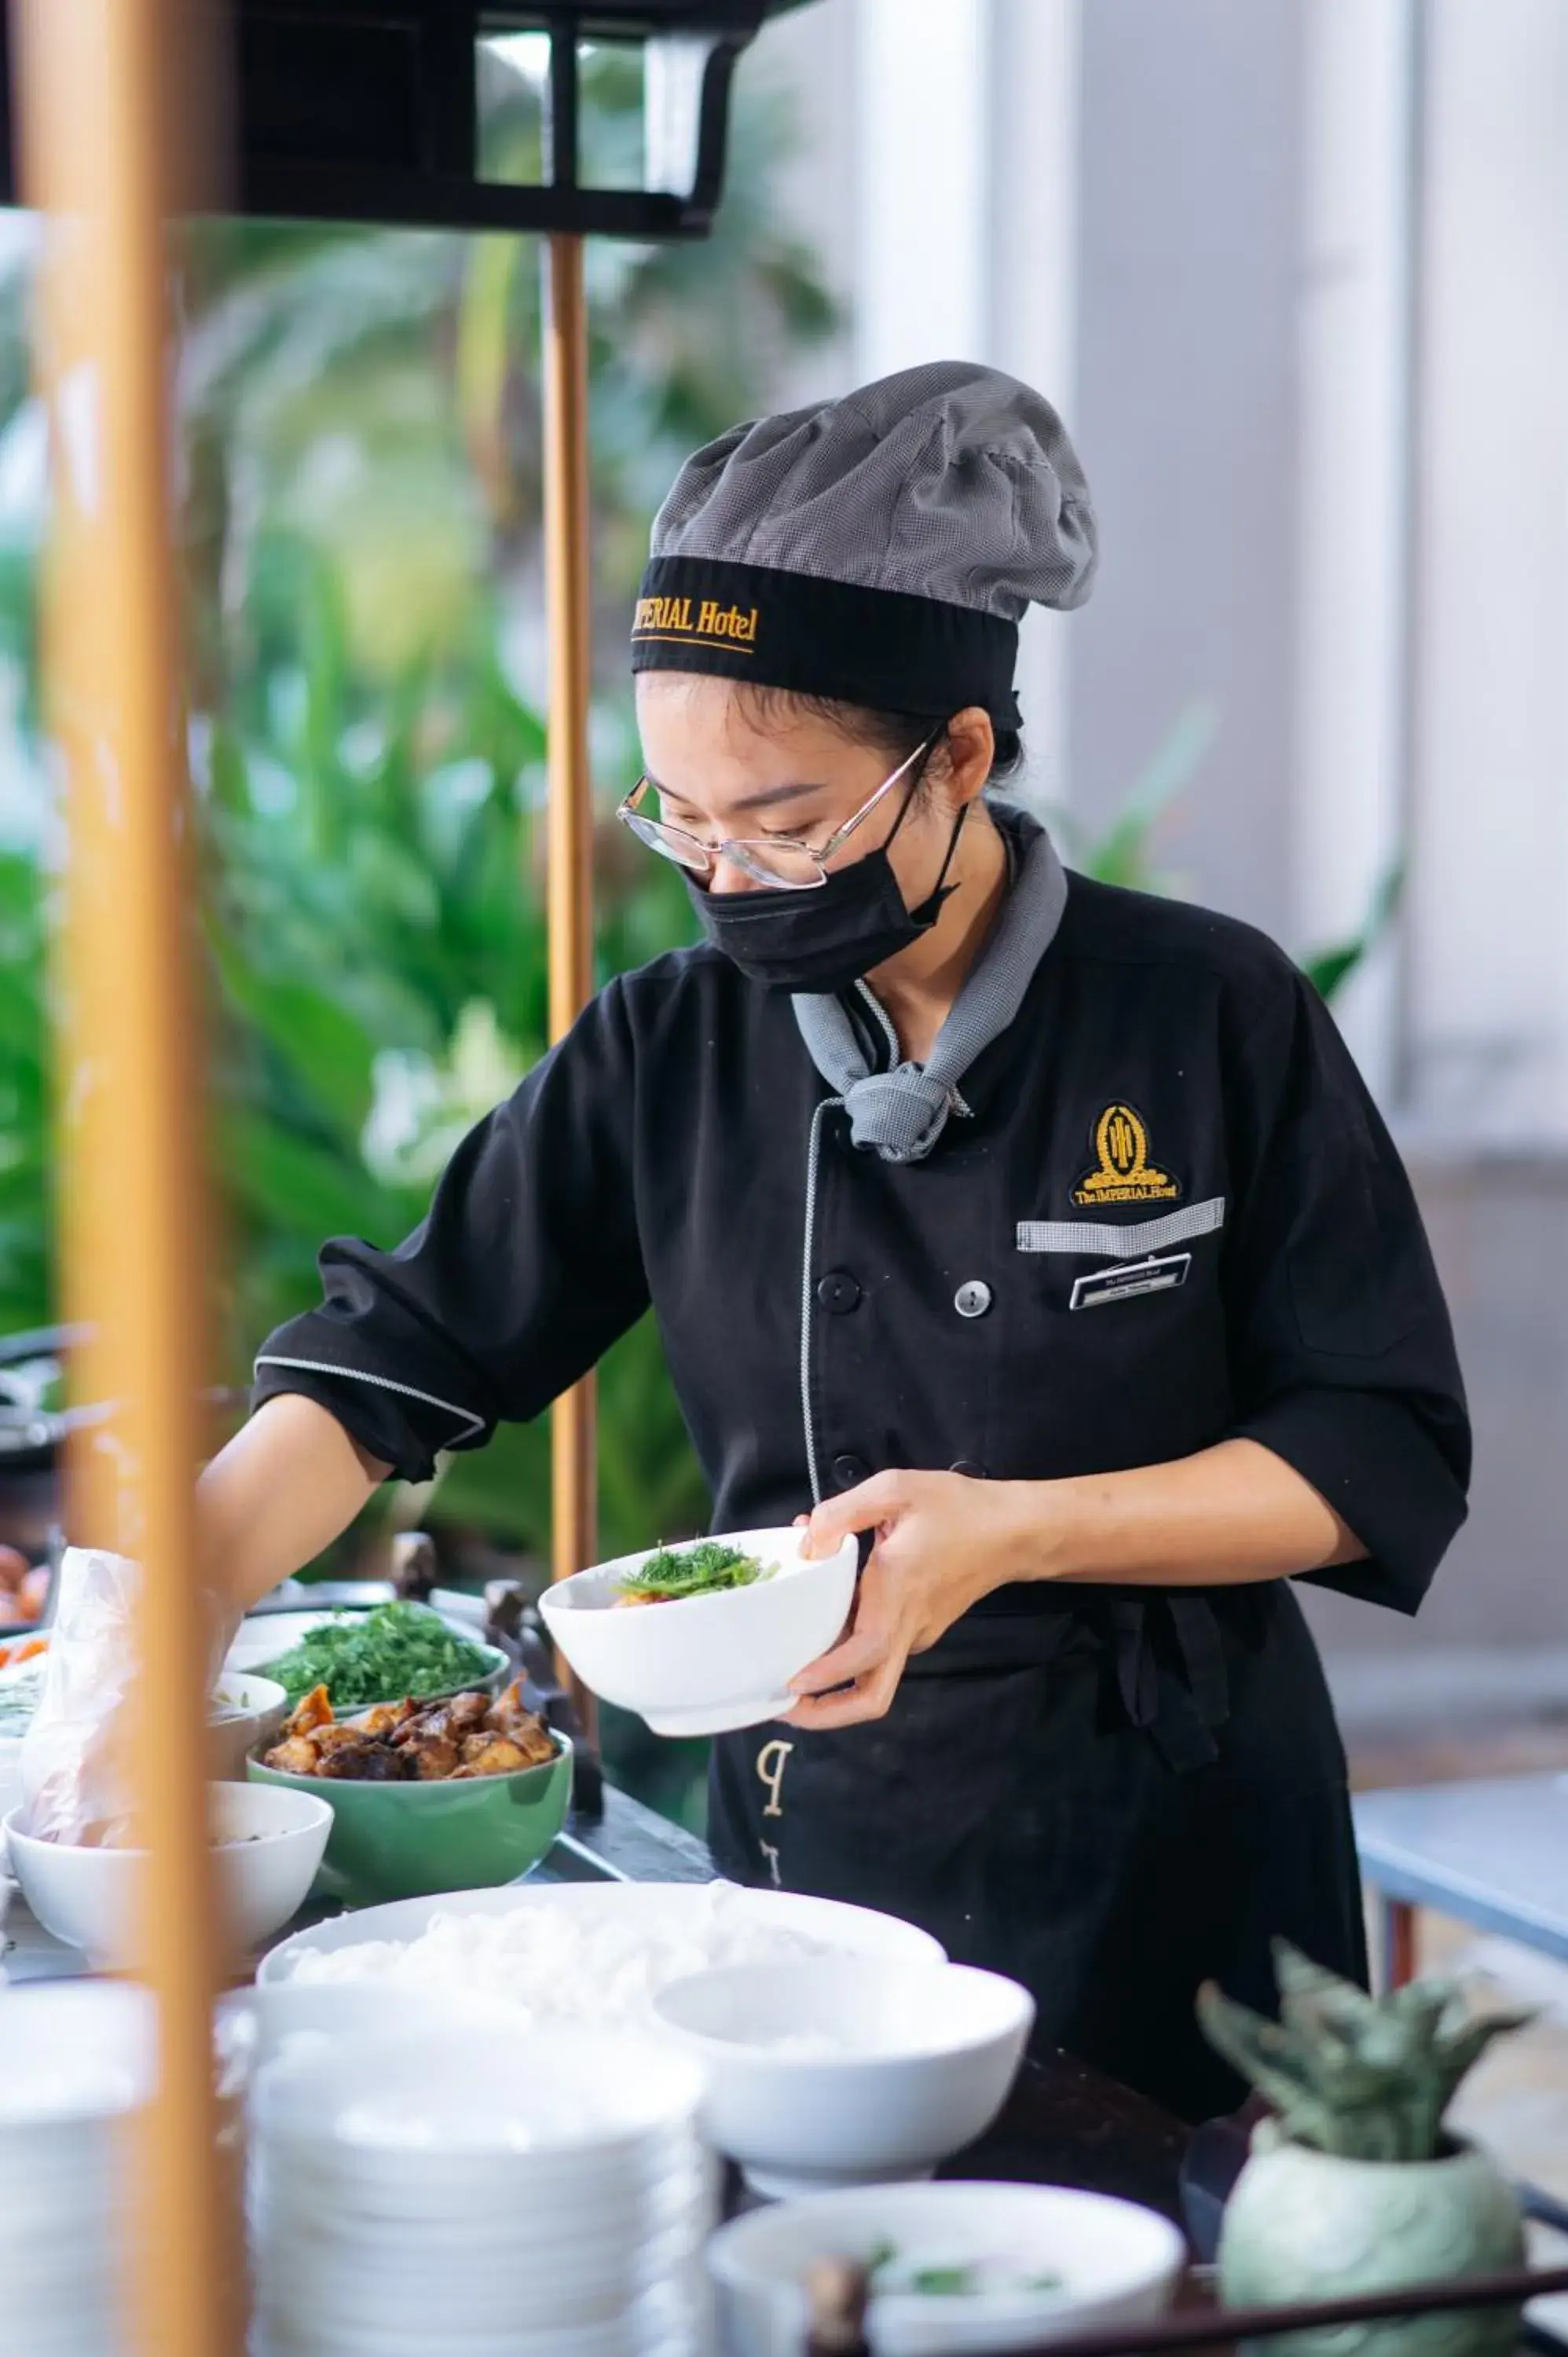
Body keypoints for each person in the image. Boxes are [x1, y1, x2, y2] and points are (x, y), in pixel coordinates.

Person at [198, 361, 1468, 2119]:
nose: (721, 880)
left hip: (1176, 1859)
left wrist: (1008, 1536)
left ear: (957, 754)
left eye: (784, 826)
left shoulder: (1207, 1011)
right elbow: (397, 1355)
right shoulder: (670, 1044)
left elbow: (1376, 1452)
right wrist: (156, 1605)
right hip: (818, 1872)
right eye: (682, 822)